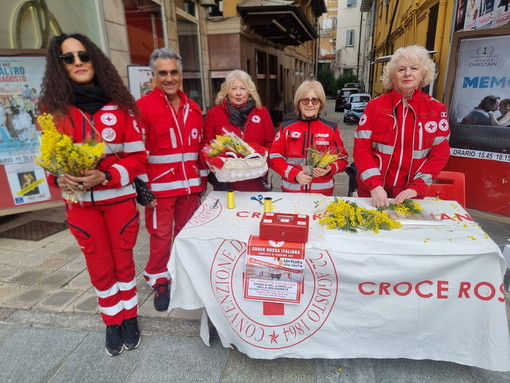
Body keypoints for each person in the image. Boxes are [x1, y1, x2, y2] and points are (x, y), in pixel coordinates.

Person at [38, 33, 147, 356]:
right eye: (68, 58)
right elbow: (48, 161)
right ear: (59, 66)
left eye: (83, 55)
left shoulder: (122, 106)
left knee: (124, 264)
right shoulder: (52, 111)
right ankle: (112, 322)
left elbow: (139, 158)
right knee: (99, 267)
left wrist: (108, 175)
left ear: (94, 59)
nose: (78, 63)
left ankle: (130, 318)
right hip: (81, 208)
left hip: (119, 203)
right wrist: (61, 176)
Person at [137, 48, 206, 312]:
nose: (169, 78)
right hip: (160, 191)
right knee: (161, 236)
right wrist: (143, 190)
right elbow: (136, 152)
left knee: (186, 235)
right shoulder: (142, 107)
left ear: (181, 74)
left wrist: (200, 183)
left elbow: (197, 149)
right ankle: (159, 278)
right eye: (163, 73)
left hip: (190, 188)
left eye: (173, 72)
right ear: (153, 75)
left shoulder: (194, 107)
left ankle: (182, 274)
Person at [353, 45, 450, 208]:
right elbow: (361, 148)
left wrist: (417, 187)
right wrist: (374, 185)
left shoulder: (436, 109)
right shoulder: (375, 106)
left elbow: (440, 154)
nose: (407, 73)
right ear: (392, 75)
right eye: (401, 69)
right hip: (373, 191)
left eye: (414, 68)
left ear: (423, 74)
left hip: (410, 194)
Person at [269, 80, 348, 195]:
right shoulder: (286, 128)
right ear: (298, 103)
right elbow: (274, 158)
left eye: (314, 100)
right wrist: (294, 174)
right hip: (291, 194)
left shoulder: (331, 129)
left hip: (322, 194)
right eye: (305, 100)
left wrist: (329, 169)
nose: (310, 104)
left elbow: (342, 159)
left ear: (320, 103)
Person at [204, 69, 275, 191]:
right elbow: (207, 146)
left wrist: (264, 165)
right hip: (226, 182)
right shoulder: (213, 114)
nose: (238, 93)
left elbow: (272, 144)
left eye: (242, 88)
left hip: (256, 179)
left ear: (249, 91)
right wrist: (215, 165)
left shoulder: (261, 112)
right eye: (233, 89)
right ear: (226, 92)